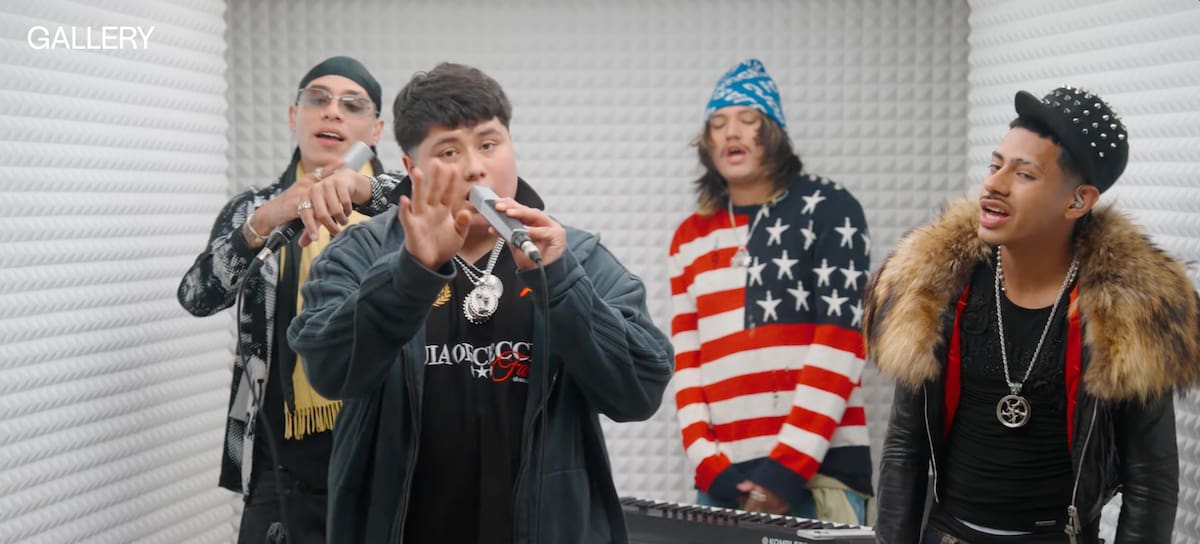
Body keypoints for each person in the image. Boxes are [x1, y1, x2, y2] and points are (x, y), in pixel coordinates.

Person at [286, 62, 673, 544]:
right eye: (449, 151)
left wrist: (560, 282)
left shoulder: (574, 255)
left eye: (489, 144)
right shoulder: (363, 253)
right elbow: (329, 371)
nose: (475, 167)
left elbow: (639, 393)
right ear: (411, 168)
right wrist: (411, 272)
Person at [865, 86, 1199, 543]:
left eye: (1023, 174)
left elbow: (1151, 482)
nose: (994, 185)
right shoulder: (938, 284)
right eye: (995, 166)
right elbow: (905, 448)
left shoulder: (1130, 309)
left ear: (1078, 201)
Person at [178, 56, 399, 543]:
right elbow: (196, 296)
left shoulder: (407, 208)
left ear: (377, 129)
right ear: (293, 115)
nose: (332, 112)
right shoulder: (255, 208)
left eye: (352, 105)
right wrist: (263, 222)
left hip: (389, 451)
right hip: (281, 462)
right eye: (318, 99)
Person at [668, 58, 873, 525]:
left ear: (774, 133)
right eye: (718, 123)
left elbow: (842, 342)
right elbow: (686, 359)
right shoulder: (689, 236)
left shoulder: (830, 208)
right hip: (722, 483)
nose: (731, 132)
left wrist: (787, 470)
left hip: (820, 476)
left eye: (748, 120)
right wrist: (707, 463)